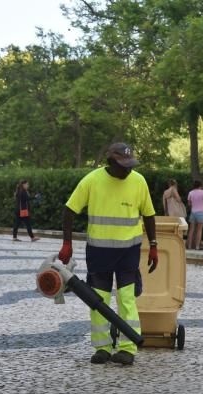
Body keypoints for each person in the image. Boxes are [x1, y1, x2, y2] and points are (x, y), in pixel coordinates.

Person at [58, 142, 158, 366]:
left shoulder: (138, 181)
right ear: (111, 162)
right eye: (124, 166)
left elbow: (149, 215)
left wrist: (153, 245)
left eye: (131, 165)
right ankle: (102, 347)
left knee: (127, 299)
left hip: (128, 252)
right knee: (98, 301)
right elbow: (69, 210)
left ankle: (127, 348)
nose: (128, 170)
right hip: (99, 251)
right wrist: (67, 243)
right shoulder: (92, 180)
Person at [186, 180, 203, 250]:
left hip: (193, 212)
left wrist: (192, 207)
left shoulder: (190, 192)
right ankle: (197, 246)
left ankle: (189, 246)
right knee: (199, 230)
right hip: (201, 212)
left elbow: (189, 203)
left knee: (191, 230)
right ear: (200, 186)